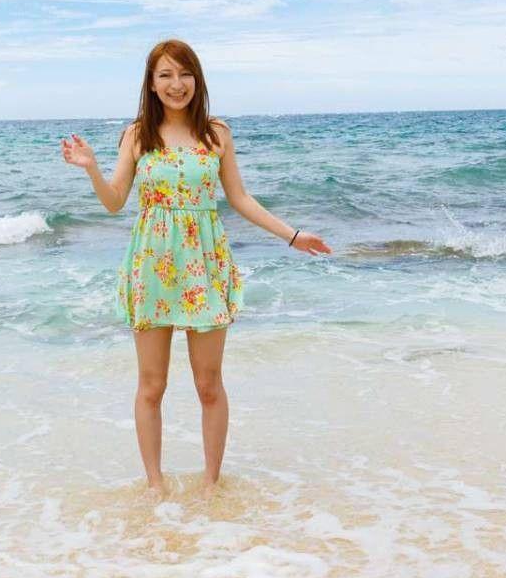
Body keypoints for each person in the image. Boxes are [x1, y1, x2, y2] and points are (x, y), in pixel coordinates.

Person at [61, 38, 332, 498]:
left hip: (204, 266)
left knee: (208, 384)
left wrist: (292, 235)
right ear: (151, 83)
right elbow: (114, 202)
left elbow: (239, 198)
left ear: (197, 79)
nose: (177, 84)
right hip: (152, 265)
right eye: (165, 75)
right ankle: (155, 485)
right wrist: (91, 169)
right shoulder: (136, 135)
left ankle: (211, 485)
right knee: (152, 385)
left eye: (185, 74)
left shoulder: (216, 133)